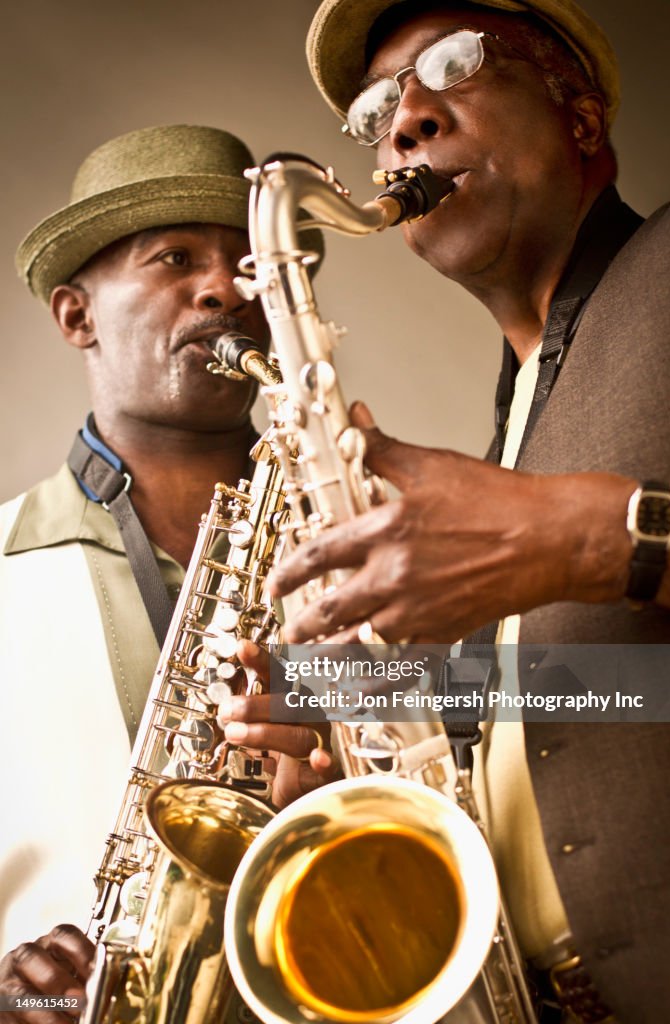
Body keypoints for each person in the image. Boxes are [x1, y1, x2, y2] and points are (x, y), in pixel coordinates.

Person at [258, 1, 670, 1021]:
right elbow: (630, 688)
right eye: (374, 111)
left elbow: (601, 556)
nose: (402, 121)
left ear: (579, 112)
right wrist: (353, 701)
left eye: (452, 66)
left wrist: (591, 537)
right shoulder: (513, 417)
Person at [0, 123, 333, 1012]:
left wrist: (384, 724)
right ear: (77, 315)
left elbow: (607, 695)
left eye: (252, 268)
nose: (225, 288)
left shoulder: (378, 541)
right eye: (175, 257)